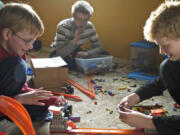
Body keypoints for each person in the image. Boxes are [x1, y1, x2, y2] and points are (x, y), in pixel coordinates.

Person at [118, 1, 180, 135]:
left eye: (166, 45)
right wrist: (136, 96)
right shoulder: (173, 64)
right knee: (167, 67)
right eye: (159, 45)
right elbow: (162, 82)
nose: (161, 51)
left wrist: (149, 122)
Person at [0, 2, 65, 125]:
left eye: (33, 42)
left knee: (40, 107)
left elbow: (19, 87)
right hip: (7, 100)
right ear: (7, 34)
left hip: (7, 99)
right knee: (16, 65)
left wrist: (49, 99)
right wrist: (18, 99)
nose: (30, 46)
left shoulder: (18, 50)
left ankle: (8, 109)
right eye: (27, 41)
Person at [50, 0, 107, 70]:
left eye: (86, 20)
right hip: (58, 52)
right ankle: (75, 65)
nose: (82, 23)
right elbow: (60, 53)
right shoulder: (63, 26)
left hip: (75, 50)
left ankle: (76, 64)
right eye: (79, 19)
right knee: (62, 65)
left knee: (105, 54)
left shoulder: (89, 26)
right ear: (73, 16)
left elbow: (99, 47)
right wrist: (76, 39)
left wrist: (87, 53)